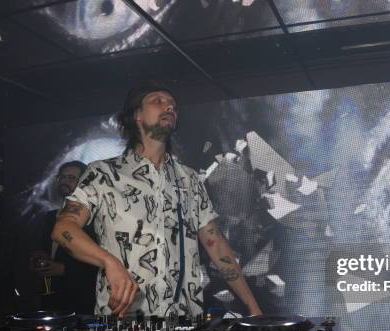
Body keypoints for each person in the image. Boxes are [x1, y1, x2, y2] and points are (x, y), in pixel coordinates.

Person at [51, 81, 262, 318]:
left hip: (185, 322)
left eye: (173, 105)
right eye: (158, 101)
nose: (169, 107)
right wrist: (109, 262)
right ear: (137, 116)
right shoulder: (102, 174)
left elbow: (217, 246)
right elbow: (63, 228)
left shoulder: (189, 179)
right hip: (125, 321)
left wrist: (253, 308)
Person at [31, 161, 97, 314]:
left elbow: (102, 263)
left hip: (83, 300)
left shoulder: (94, 219)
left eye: (71, 178)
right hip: (51, 298)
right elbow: (45, 249)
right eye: (62, 177)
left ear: (84, 183)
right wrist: (39, 256)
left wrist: (64, 269)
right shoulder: (50, 217)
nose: (64, 181)